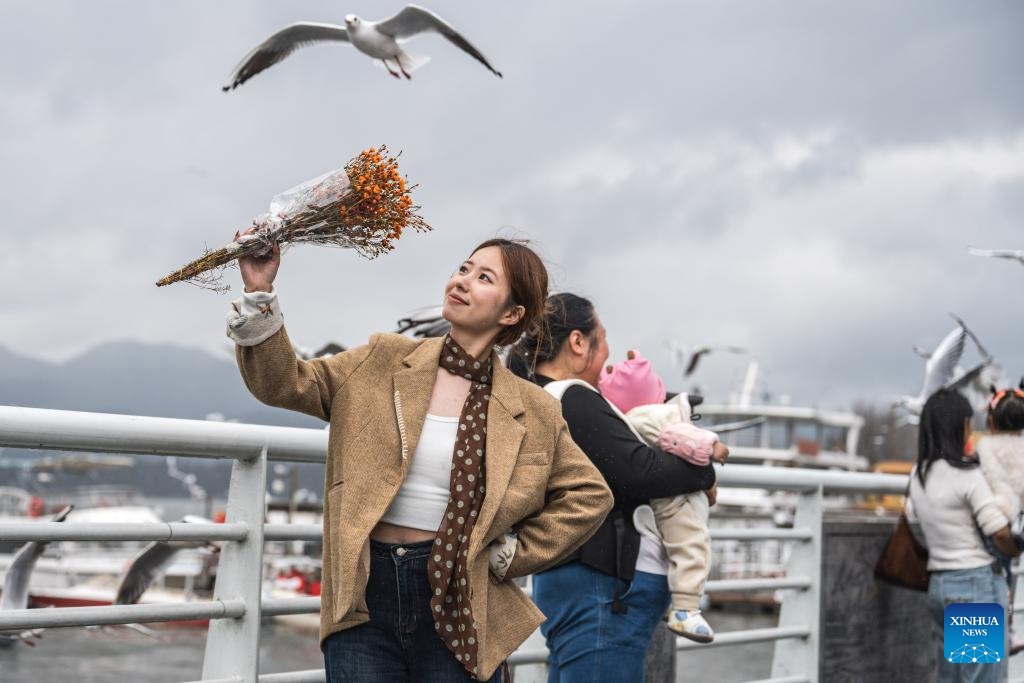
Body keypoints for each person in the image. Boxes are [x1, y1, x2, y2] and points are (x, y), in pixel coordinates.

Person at [226, 232, 614, 682]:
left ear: (511, 313)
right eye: (463, 268)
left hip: (461, 597)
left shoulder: (533, 408)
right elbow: (284, 384)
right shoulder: (382, 359)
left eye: (483, 277)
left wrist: (513, 554)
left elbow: (589, 494)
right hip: (364, 594)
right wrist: (259, 291)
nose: (462, 281)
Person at [508, 293, 723, 683]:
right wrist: (704, 473)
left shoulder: (534, 397)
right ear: (578, 341)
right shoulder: (572, 399)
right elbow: (639, 472)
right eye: (602, 338)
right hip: (602, 588)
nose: (607, 355)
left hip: (572, 579)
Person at [598, 350, 726, 642]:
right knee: (692, 547)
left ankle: (677, 605)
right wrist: (713, 446)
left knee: (677, 550)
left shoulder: (631, 420)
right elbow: (681, 438)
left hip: (664, 502)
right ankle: (686, 610)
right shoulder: (655, 415)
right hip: (676, 504)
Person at [906, 389, 1020, 683]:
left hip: (941, 586)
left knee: (954, 678)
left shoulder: (918, 475)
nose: (972, 430)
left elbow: (911, 516)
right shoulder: (968, 475)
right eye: (969, 423)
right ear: (957, 426)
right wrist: (1016, 543)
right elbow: (999, 532)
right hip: (976, 588)